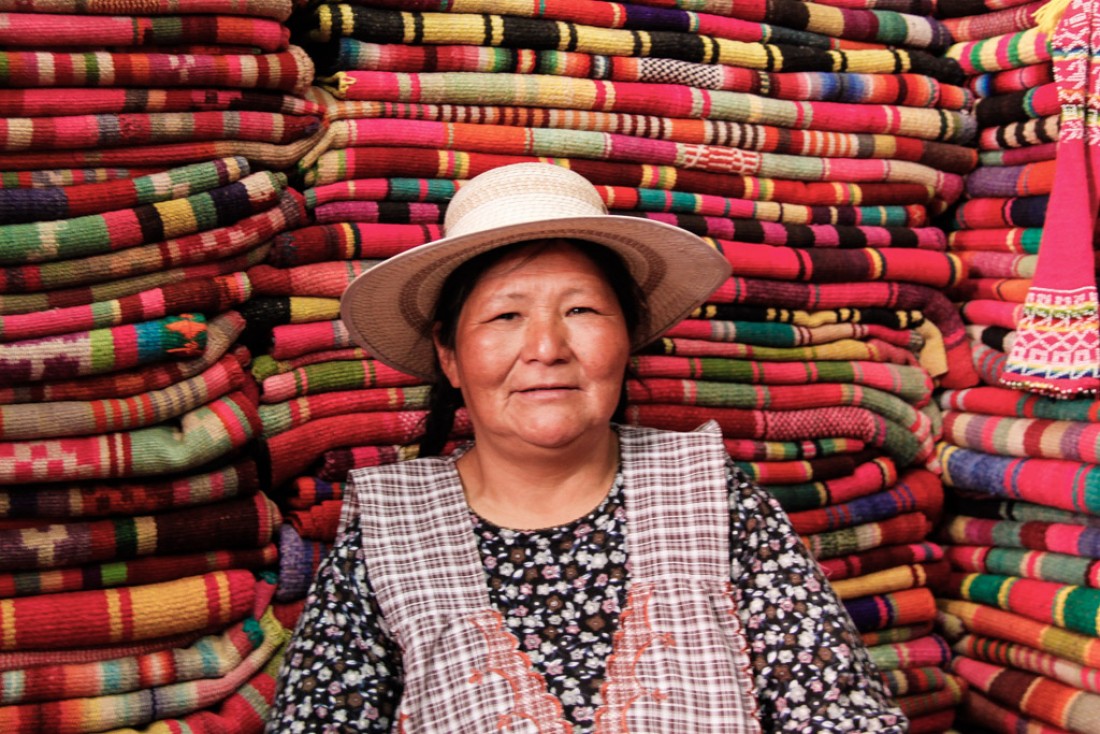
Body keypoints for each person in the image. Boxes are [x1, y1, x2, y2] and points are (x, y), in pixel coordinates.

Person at [267, 163, 907, 733]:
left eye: (581, 311)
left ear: (628, 338)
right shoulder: (390, 535)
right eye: (505, 316)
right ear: (448, 354)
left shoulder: (715, 501)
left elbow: (840, 713)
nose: (547, 348)